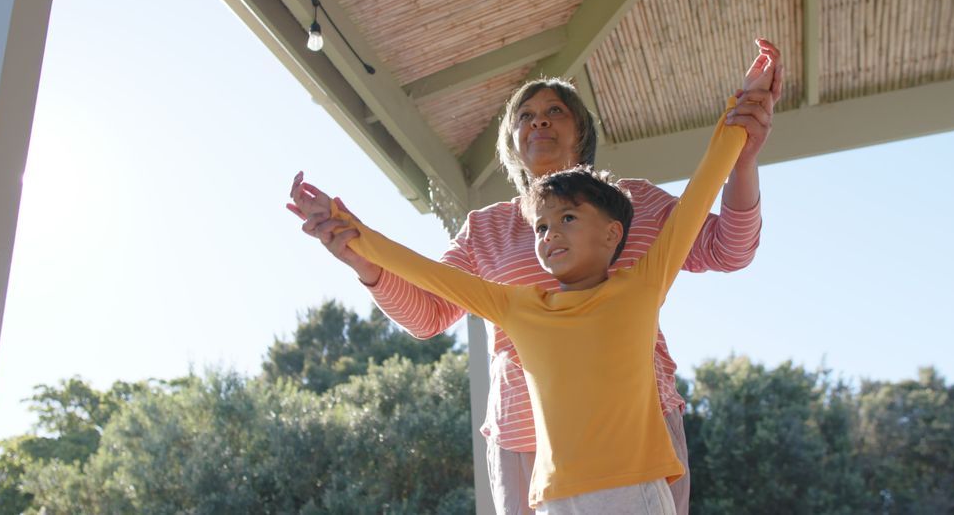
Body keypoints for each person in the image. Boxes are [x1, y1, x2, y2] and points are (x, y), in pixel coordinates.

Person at [288, 39, 783, 514]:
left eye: (554, 112)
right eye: (524, 116)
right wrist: (361, 255)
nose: (539, 122)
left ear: (581, 133)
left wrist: (741, 154)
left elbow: (730, 248)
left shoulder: (633, 204)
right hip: (529, 446)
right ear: (512, 143)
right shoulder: (485, 229)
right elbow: (428, 312)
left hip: (635, 436)